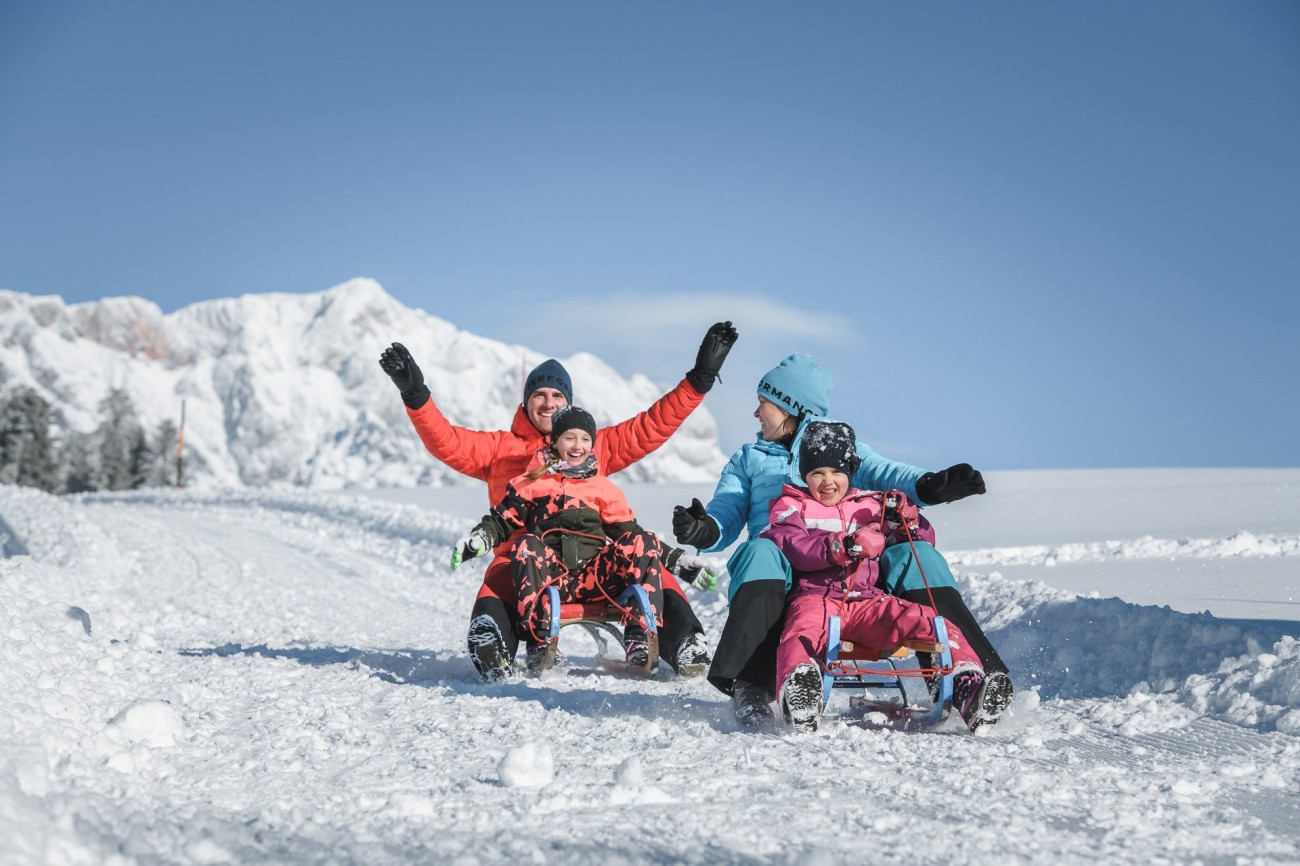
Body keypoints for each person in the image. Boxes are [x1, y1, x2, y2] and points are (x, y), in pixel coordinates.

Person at [379, 322, 737, 680]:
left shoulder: (589, 448)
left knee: (649, 567)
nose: (548, 402)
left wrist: (700, 379)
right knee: (498, 575)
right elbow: (447, 441)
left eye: (557, 396)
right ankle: (491, 642)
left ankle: (685, 642)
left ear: (569, 403)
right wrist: (415, 395)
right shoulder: (500, 451)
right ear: (526, 402)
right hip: (528, 564)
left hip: (592, 563)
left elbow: (651, 426)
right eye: (539, 395)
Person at [671, 353, 1008, 726]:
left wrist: (929, 486)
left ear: (789, 406)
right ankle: (750, 683)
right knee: (760, 550)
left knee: (919, 556)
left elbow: (889, 474)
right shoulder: (750, 457)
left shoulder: (840, 446)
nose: (756, 413)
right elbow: (728, 509)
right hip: (786, 562)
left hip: (851, 571)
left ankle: (970, 679)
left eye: (762, 403)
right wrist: (705, 529)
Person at [760, 420, 1011, 733]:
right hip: (816, 599)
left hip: (868, 600)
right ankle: (801, 693)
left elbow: (919, 539)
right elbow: (792, 545)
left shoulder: (869, 505)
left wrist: (910, 520)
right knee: (799, 636)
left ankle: (967, 685)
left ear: (850, 473)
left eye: (836, 472)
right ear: (805, 476)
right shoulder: (791, 505)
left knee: (927, 620)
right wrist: (843, 545)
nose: (828, 481)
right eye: (817, 473)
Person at [452, 406, 670, 676]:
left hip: (596, 579)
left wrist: (678, 560)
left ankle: (638, 636)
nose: (577, 445)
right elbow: (501, 521)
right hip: (552, 579)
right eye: (569, 437)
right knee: (526, 545)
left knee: (642, 539)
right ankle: (538, 641)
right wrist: (479, 539)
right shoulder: (531, 483)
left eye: (585, 439)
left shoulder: (603, 488)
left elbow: (632, 534)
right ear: (555, 441)